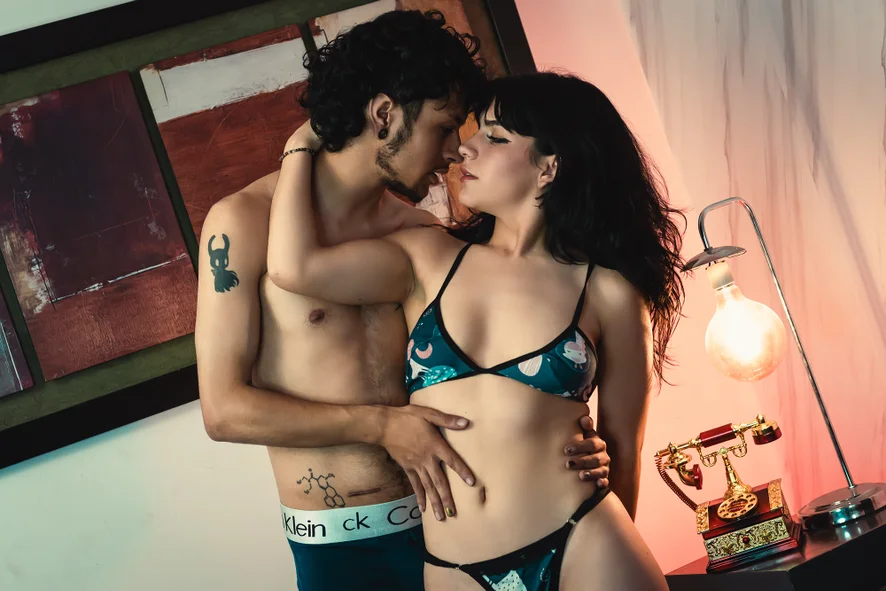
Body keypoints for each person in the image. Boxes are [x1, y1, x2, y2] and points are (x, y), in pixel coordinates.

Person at [195, 11, 611, 591]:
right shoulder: (242, 224)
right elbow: (224, 411)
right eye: (444, 128)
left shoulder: (421, 233)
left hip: (461, 529)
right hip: (342, 546)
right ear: (385, 114)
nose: (454, 152)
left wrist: (570, 436)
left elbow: (496, 357)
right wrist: (383, 426)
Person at [266, 71, 686, 591]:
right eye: (473, 132)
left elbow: (622, 447)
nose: (466, 148)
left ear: (549, 167)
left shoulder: (607, 291)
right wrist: (301, 143)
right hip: (455, 571)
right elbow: (293, 268)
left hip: (584, 541)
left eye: (495, 137)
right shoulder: (426, 257)